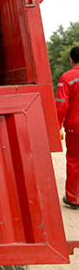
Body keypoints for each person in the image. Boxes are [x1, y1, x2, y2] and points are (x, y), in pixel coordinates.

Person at [56, 46, 79, 209]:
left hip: (75, 127)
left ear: (71, 59)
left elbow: (60, 106)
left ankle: (73, 198)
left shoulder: (67, 77)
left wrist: (56, 127)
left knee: (74, 162)